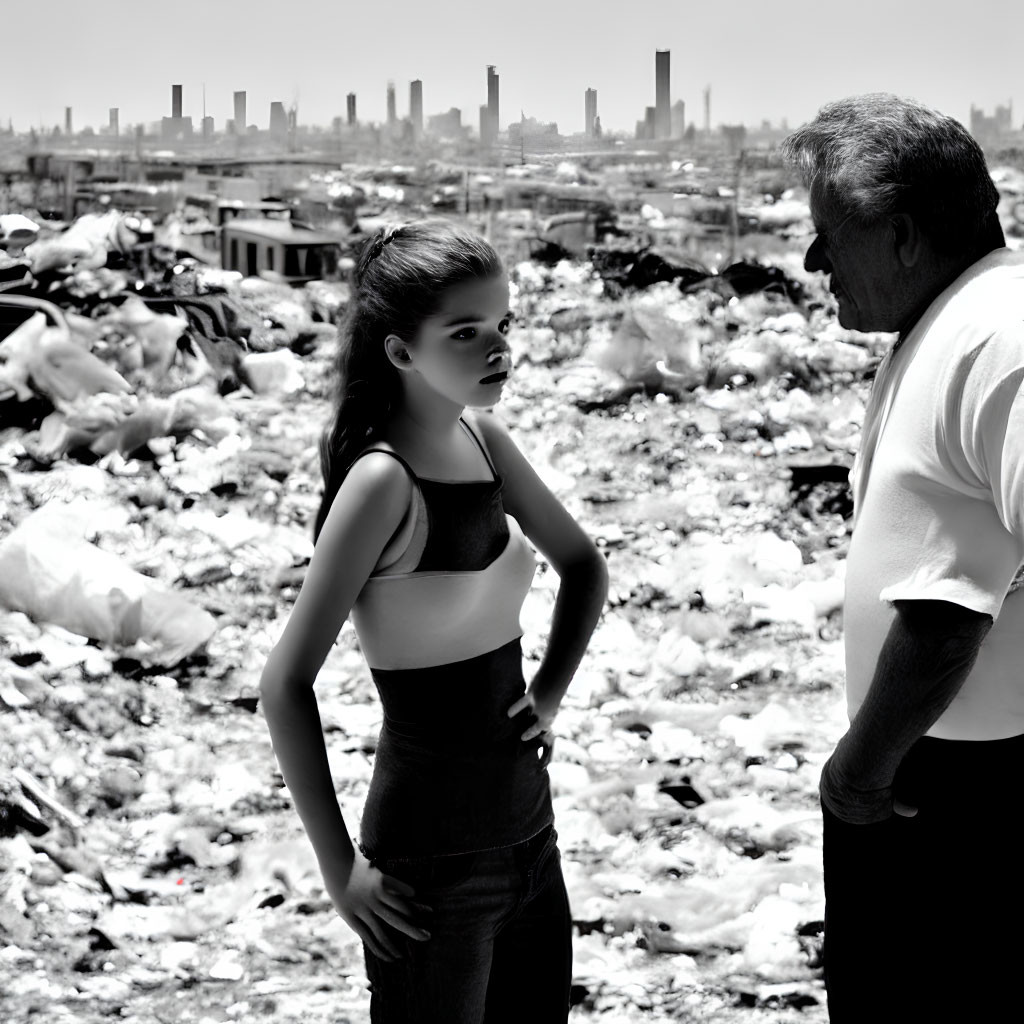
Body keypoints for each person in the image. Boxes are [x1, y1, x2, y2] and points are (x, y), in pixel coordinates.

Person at [259, 219, 608, 1023]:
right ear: (399, 351)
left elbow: (585, 566)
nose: (498, 349)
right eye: (466, 331)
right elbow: (284, 685)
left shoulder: (483, 439)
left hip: (532, 842)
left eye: (502, 326)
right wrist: (340, 870)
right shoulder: (382, 482)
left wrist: (548, 695)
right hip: (430, 868)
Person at [782, 95, 1024, 1022]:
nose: (812, 262)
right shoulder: (955, 321)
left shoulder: (999, 337)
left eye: (828, 236)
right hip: (931, 782)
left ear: (908, 238)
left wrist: (861, 771)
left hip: (957, 805)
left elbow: (949, 605)